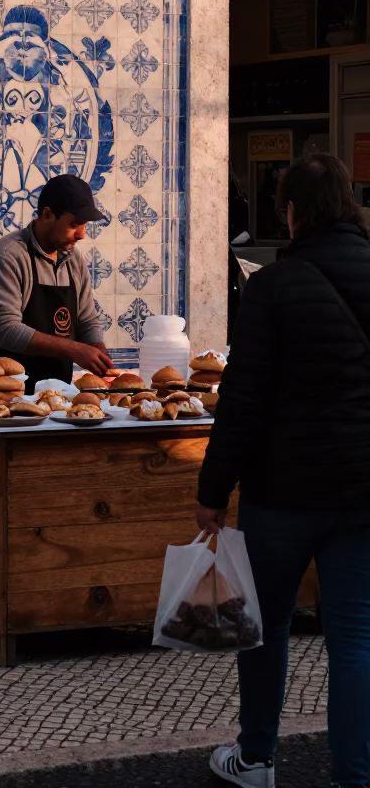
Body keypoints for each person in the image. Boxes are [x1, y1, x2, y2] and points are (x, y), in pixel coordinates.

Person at [197, 153, 370, 788]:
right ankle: (355, 775)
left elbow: (242, 403)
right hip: (363, 494)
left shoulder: (273, 286)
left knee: (263, 629)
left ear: (293, 212)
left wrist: (211, 491)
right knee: (356, 640)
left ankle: (257, 759)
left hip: (284, 495)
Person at [0, 174, 112, 392]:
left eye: (84, 225)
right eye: (74, 224)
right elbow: (1, 328)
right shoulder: (7, 257)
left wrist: (96, 348)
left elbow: (86, 320)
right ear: (47, 215)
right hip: (4, 393)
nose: (82, 235)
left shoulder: (73, 259)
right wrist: (73, 349)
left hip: (57, 393)